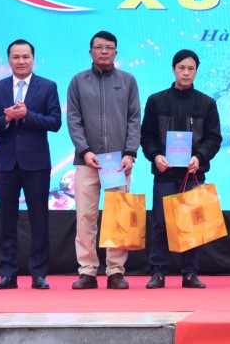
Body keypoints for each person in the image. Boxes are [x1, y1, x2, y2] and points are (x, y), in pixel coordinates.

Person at [0, 39, 62, 290]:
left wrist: (27, 116)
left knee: (39, 220)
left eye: (26, 57)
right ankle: (8, 274)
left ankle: (39, 274)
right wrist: (5, 119)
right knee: (6, 220)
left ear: (33, 59)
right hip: (6, 165)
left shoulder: (47, 86)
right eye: (16, 57)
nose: (21, 61)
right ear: (9, 60)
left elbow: (55, 122)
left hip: (36, 165)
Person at [66, 30, 143, 290]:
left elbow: (134, 118)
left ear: (116, 53)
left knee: (118, 216)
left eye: (109, 47)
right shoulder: (78, 81)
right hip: (86, 162)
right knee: (85, 218)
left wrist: (130, 152)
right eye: (99, 47)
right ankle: (87, 271)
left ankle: (115, 271)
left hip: (118, 162)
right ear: (90, 52)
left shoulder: (127, 81)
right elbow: (73, 119)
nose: (104, 51)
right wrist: (85, 150)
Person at [140, 49, 223, 289]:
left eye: (191, 69)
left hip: (193, 173)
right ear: (173, 69)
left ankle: (189, 273)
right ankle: (158, 272)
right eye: (181, 68)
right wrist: (155, 156)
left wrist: (199, 156)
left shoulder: (207, 103)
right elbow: (146, 136)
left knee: (192, 224)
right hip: (164, 174)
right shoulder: (156, 101)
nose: (186, 73)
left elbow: (214, 138)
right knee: (160, 224)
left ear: (196, 72)